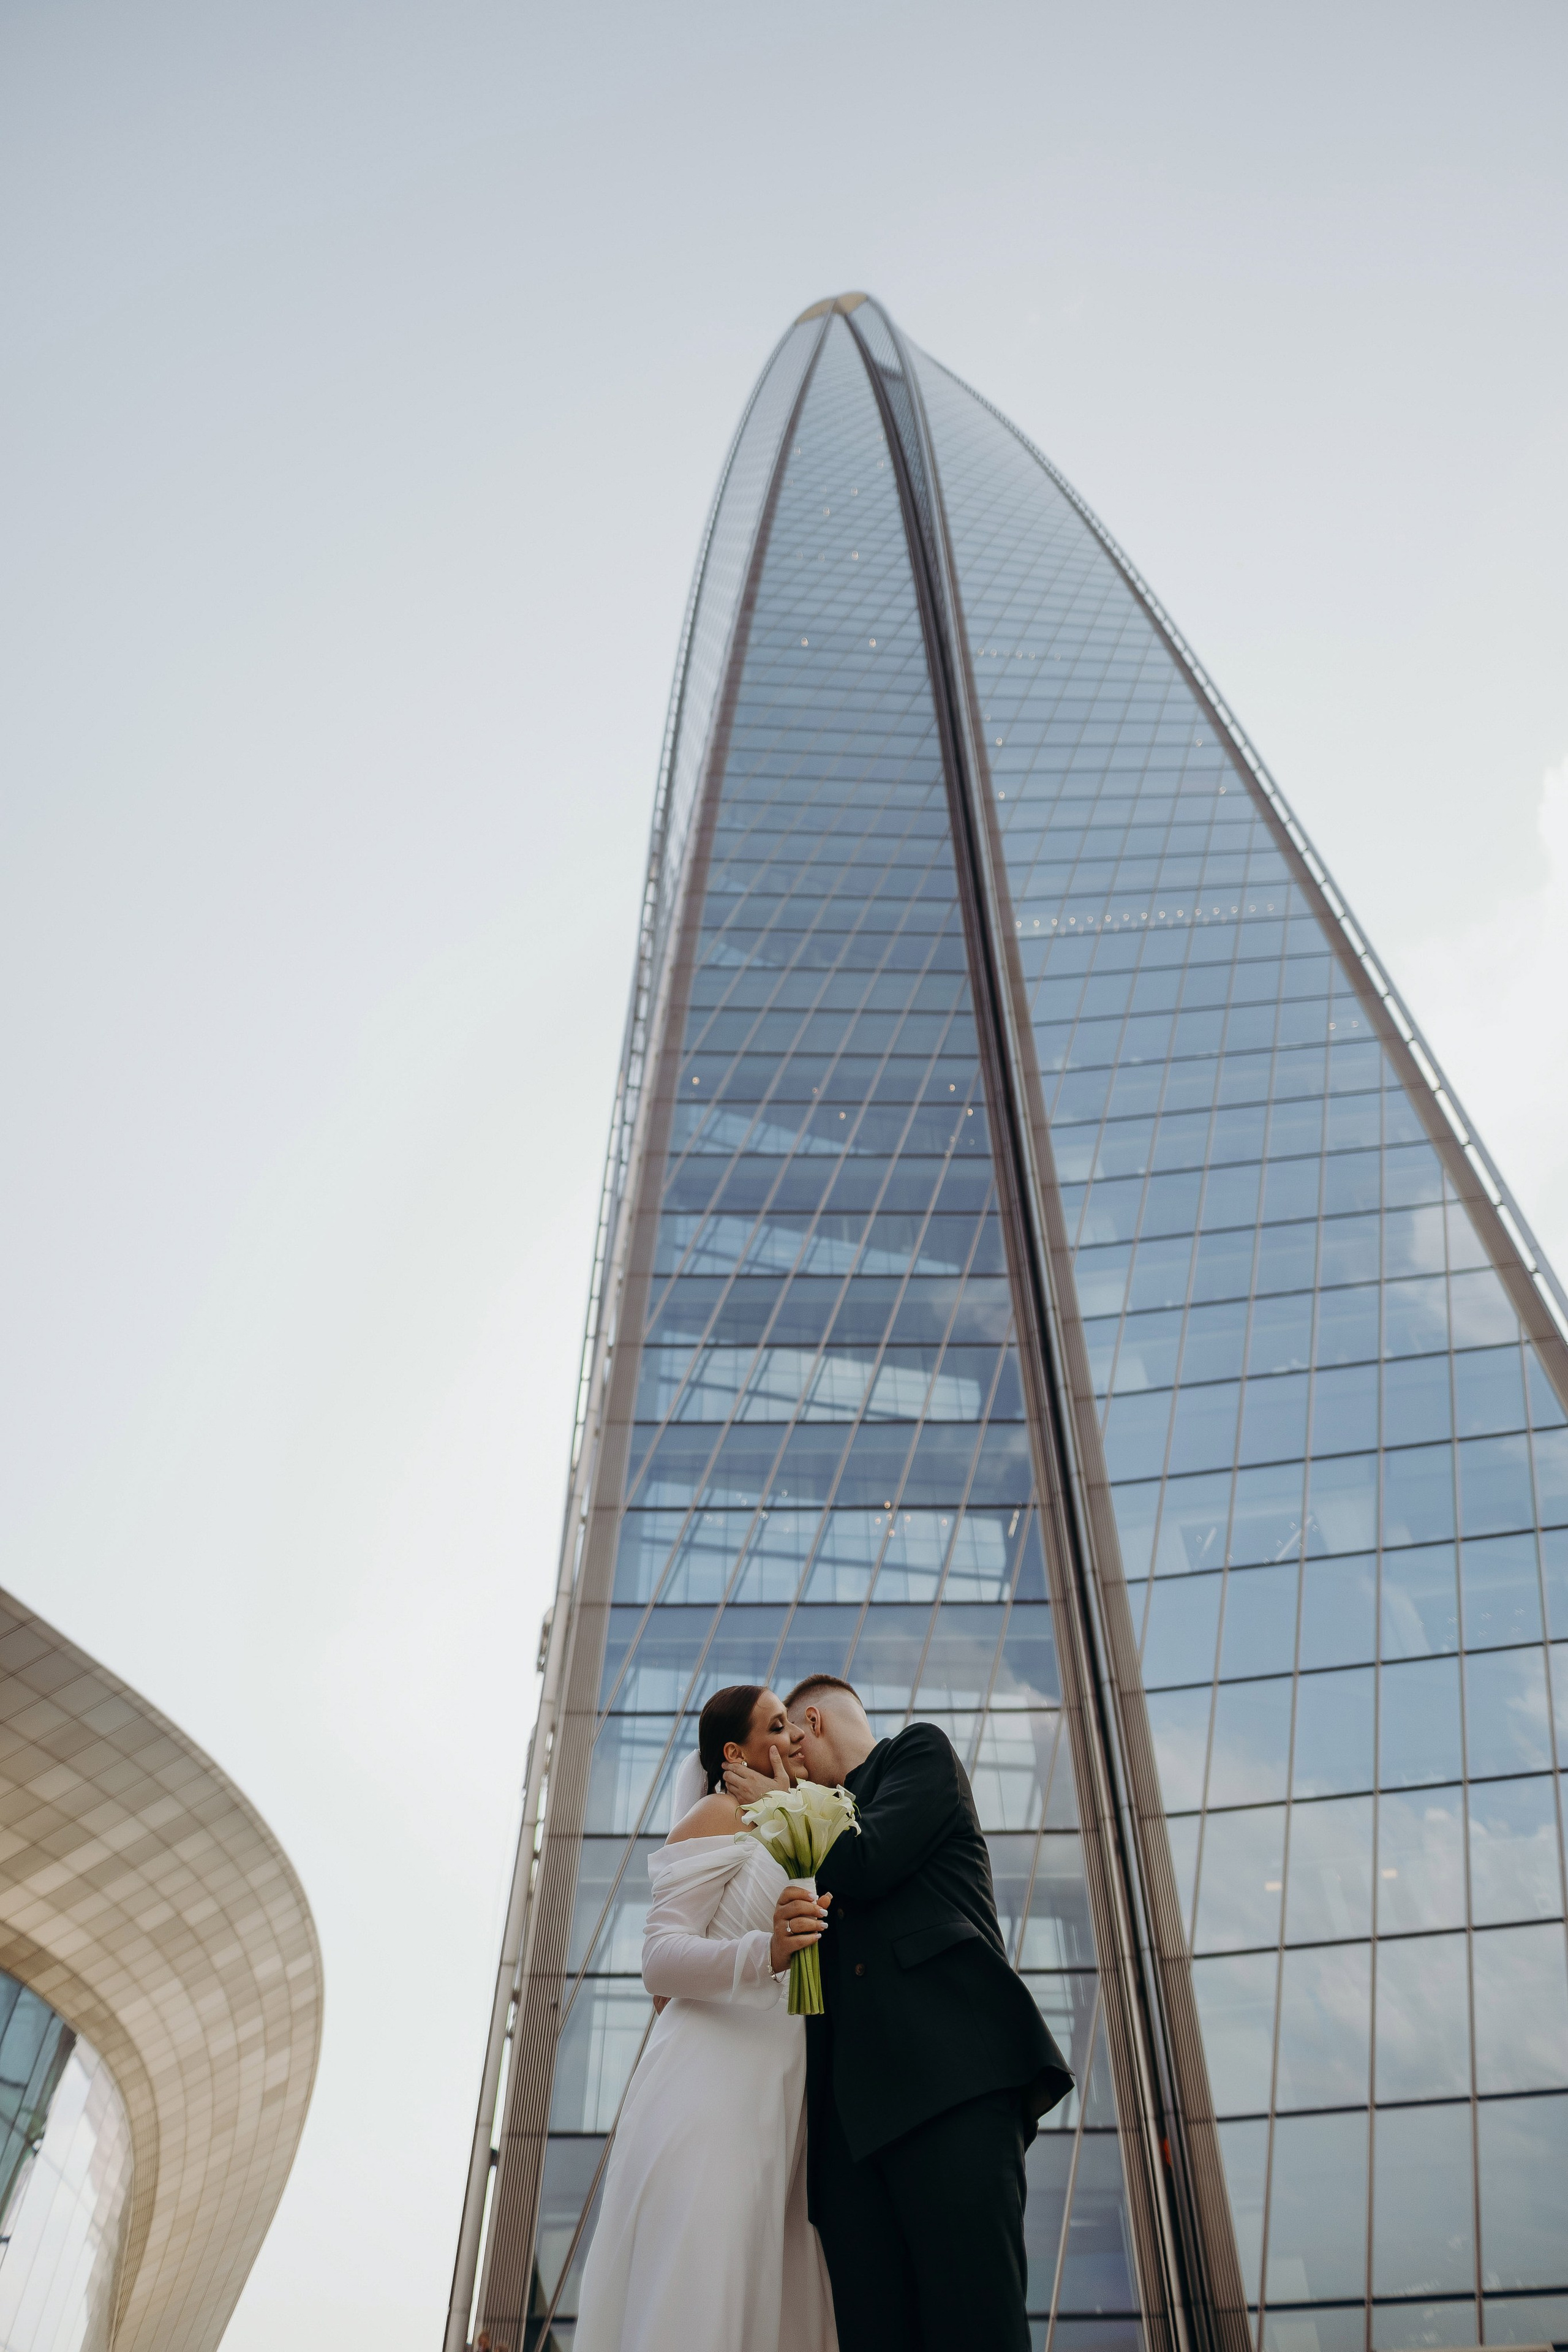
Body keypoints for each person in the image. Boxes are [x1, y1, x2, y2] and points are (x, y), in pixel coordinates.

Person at [726, 1674, 1073, 2352]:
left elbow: (870, 1858)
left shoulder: (918, 1754)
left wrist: (781, 1805)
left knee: (977, 2323)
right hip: (848, 2137)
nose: (789, 1773)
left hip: (951, 2084)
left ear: (811, 1725)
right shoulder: (803, 1839)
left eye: (790, 1750)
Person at [571, 1684, 839, 2352]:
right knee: (703, 2270)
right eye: (777, 1726)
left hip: (784, 2089)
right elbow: (659, 1960)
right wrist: (765, 1952)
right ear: (733, 1751)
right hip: (709, 2083)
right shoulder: (719, 1815)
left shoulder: (806, 1826)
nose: (793, 1738)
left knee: (768, 2284)